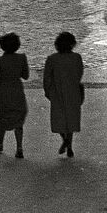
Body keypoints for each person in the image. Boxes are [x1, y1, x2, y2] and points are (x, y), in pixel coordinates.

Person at [42, 30, 84, 158]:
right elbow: (79, 74)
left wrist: (48, 92)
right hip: (73, 91)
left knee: (59, 119)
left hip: (57, 92)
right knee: (70, 119)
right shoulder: (77, 58)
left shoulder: (52, 59)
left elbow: (47, 78)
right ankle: (69, 145)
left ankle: (64, 140)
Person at [0, 33, 29, 158]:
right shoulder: (22, 58)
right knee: (18, 120)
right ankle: (19, 147)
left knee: (3, 117)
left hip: (3, 93)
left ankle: (1, 142)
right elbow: (25, 75)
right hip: (17, 91)